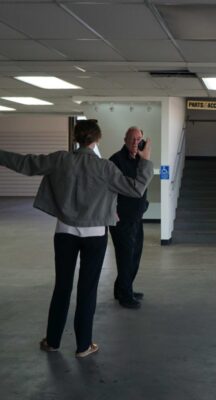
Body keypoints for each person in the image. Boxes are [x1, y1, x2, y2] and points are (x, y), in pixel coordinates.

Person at [0, 119, 153, 358]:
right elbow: (135, 189)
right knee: (87, 289)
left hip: (65, 233)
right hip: (95, 235)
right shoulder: (104, 167)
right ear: (97, 140)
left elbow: (26, 163)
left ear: (76, 139)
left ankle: (53, 341)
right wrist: (144, 161)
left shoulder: (61, 159)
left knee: (62, 287)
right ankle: (83, 346)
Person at [109, 127, 149, 309]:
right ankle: (125, 296)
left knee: (134, 256)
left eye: (139, 139)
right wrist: (112, 210)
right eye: (132, 139)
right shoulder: (116, 160)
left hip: (136, 217)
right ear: (125, 139)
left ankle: (124, 289)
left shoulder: (141, 160)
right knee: (125, 257)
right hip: (121, 218)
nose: (135, 142)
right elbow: (110, 188)